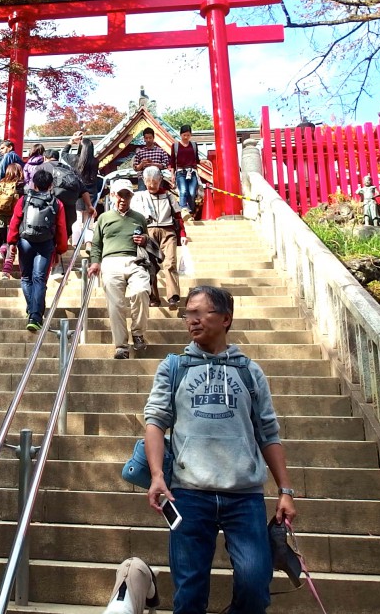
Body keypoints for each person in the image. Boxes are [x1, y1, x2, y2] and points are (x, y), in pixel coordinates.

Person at [144, 285, 296, 614]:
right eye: (188, 314)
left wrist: (285, 490)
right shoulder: (174, 369)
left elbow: (268, 432)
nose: (191, 320)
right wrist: (157, 475)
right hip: (188, 494)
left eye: (200, 313)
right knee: (189, 592)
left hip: (244, 495)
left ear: (225, 318)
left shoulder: (249, 371)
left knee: (256, 587)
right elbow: (155, 421)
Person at [87, 180, 151, 360]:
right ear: (113, 195)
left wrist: (144, 239)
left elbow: (146, 240)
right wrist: (95, 262)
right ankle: (121, 345)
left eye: (127, 194)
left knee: (141, 291)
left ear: (132, 196)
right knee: (116, 304)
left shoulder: (139, 217)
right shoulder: (104, 218)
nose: (123, 198)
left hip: (135, 260)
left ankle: (138, 332)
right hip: (110, 262)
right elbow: (97, 244)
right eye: (120, 194)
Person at [7, 168, 68, 331]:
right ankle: (35, 314)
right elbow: (61, 227)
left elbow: (15, 221)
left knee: (26, 278)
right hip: (45, 243)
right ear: (50, 185)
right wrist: (61, 248)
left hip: (25, 242)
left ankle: (33, 310)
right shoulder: (57, 203)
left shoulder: (24, 200)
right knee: (39, 279)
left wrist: (11, 241)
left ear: (34, 184)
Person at [131, 166, 188, 308]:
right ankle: (153, 297)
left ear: (160, 180)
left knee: (170, 263)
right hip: (148, 232)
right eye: (149, 183)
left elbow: (178, 216)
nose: (151, 186)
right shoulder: (140, 197)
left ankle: (173, 295)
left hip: (168, 231)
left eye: (154, 183)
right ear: (144, 181)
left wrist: (183, 234)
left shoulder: (169, 196)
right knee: (150, 266)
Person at [0, 162, 26, 277]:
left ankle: (1, 252)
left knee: (4, 240)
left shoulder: (0, 183)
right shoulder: (21, 185)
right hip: (14, 218)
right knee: (12, 243)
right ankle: (6, 271)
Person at [174, 124, 200, 214]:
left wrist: (203, 162)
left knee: (192, 193)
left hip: (192, 172)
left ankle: (192, 211)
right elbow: (172, 162)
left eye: (188, 135)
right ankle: (183, 211)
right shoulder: (175, 146)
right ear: (180, 135)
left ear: (191, 135)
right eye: (184, 135)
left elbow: (197, 159)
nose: (186, 137)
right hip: (180, 172)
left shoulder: (194, 145)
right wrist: (172, 174)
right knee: (183, 191)